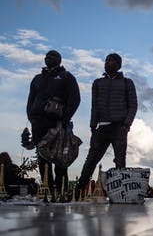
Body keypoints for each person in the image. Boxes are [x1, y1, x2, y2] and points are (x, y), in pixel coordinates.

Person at [75, 53, 137, 199]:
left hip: (119, 128)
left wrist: (126, 124)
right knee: (91, 159)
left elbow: (133, 105)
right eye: (106, 60)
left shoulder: (127, 83)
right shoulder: (97, 83)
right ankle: (78, 190)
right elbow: (94, 106)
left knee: (120, 161)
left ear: (119, 65)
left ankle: (121, 194)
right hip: (101, 128)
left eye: (112, 61)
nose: (108, 62)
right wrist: (92, 125)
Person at [27, 50, 80, 194]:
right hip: (38, 123)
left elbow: (75, 100)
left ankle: (61, 190)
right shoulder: (37, 78)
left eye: (52, 56)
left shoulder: (66, 77)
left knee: (60, 157)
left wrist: (64, 119)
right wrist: (31, 117)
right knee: (42, 157)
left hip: (58, 123)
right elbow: (31, 99)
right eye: (46, 56)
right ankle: (47, 189)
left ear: (60, 60)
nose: (48, 57)